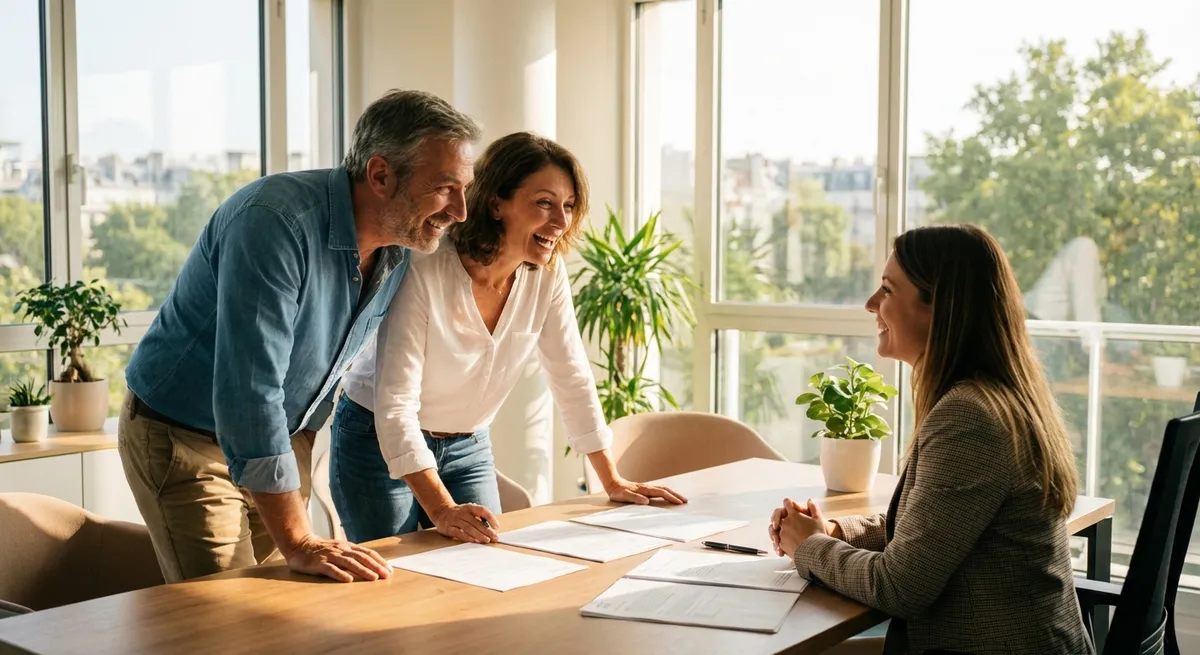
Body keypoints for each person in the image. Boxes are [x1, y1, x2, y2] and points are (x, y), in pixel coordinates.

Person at [118, 89, 482, 583]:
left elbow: (322, 371)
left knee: (280, 610)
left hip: (285, 438)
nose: (459, 211)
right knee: (223, 617)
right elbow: (250, 393)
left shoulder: (397, 250)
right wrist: (298, 537)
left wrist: (302, 449)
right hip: (186, 438)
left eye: (465, 189)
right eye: (445, 188)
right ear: (380, 175)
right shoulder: (273, 222)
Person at [331, 132, 685, 544]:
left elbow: (571, 375)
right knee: (393, 579)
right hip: (375, 437)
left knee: (485, 564)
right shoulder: (426, 267)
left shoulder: (547, 274)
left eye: (568, 206)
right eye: (544, 203)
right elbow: (395, 406)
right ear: (496, 202)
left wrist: (612, 480)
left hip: (468, 444)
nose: (561, 221)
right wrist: (442, 509)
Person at [769, 224, 1092, 654]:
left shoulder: (969, 416)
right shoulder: (994, 396)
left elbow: (899, 587)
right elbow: (925, 532)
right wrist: (831, 530)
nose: (871, 304)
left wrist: (810, 546)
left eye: (887, 290)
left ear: (940, 308)